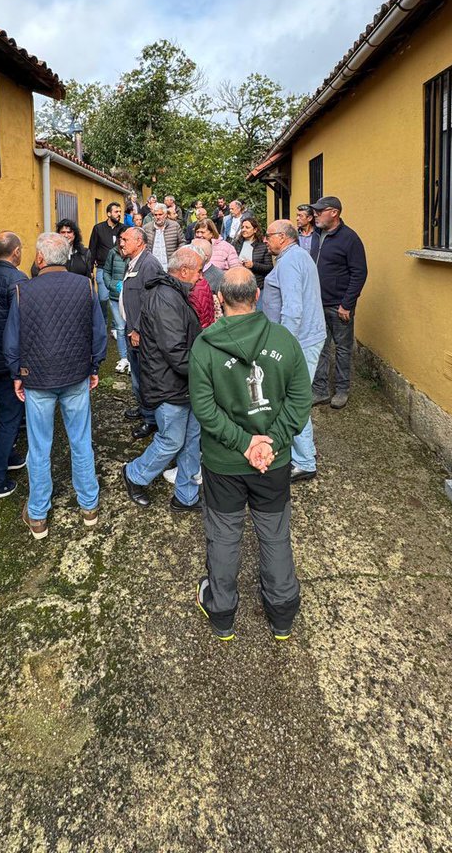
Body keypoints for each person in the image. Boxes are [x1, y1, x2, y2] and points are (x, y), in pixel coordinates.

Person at [189, 268, 311, 641]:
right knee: (274, 534)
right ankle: (282, 613)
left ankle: (222, 613)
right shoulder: (284, 341)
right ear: (257, 296)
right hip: (272, 462)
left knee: (225, 535)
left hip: (224, 463)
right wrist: (270, 442)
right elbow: (300, 400)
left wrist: (244, 443)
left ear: (219, 300)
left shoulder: (205, 347)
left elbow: (204, 409)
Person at [4, 233, 108, 539]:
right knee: (81, 440)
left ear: (40, 258)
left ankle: (38, 514)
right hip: (76, 375)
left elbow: (12, 341)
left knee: (39, 447)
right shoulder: (85, 286)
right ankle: (89, 507)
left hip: (37, 378)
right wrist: (94, 366)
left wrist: (17, 374)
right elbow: (98, 333)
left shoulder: (22, 291)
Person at [122, 247, 203, 512]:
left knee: (191, 440)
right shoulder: (165, 298)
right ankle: (134, 474)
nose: (201, 277)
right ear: (184, 271)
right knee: (172, 441)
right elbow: (175, 352)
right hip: (168, 385)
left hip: (184, 384)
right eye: (198, 271)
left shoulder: (174, 294)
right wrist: (207, 370)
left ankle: (186, 496)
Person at [261, 220, 325, 483]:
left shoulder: (289, 262)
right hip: (308, 337)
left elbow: (293, 309)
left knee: (293, 401)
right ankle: (304, 452)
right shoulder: (298, 256)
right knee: (294, 398)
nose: (265, 240)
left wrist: (284, 346)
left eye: (268, 236)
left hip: (301, 341)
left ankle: (305, 461)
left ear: (282, 237)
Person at [309, 196, 368, 410]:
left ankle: (342, 390)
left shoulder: (350, 238)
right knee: (320, 347)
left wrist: (347, 304)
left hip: (339, 306)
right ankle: (320, 390)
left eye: (320, 211)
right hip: (317, 304)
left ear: (334, 212)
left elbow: (359, 273)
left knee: (342, 349)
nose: (315, 215)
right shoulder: (317, 235)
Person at [0, 231, 27, 500]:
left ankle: (7, 453)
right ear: (16, 252)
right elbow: (22, 327)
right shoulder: (17, 281)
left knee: (5, 410)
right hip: (7, 359)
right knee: (11, 416)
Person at [118, 225, 161, 439]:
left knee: (146, 377)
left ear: (139, 242)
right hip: (132, 330)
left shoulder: (149, 264)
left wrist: (137, 329)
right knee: (136, 375)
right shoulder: (133, 262)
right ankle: (144, 409)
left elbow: (150, 302)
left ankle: (151, 420)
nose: (121, 243)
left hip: (142, 333)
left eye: (125, 239)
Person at [89, 201, 126, 323]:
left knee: (119, 297)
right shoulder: (98, 228)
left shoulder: (124, 229)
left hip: (119, 269)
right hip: (102, 268)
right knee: (103, 298)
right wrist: (90, 269)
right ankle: (104, 321)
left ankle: (117, 324)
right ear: (108, 214)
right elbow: (92, 249)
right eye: (116, 212)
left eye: (120, 212)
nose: (119, 214)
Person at [102, 242, 131, 373]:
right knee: (120, 328)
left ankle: (132, 359)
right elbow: (106, 271)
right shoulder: (113, 252)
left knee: (131, 328)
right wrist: (110, 285)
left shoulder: (136, 254)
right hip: (115, 296)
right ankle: (123, 357)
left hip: (131, 297)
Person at [232, 216, 272, 288]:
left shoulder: (263, 246)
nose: (244, 229)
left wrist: (253, 265)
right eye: (242, 227)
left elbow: (269, 268)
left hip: (257, 285)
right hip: (239, 284)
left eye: (247, 227)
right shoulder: (236, 244)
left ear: (255, 230)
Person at [143, 202, 186, 269]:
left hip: (170, 266)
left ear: (165, 215)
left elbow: (182, 242)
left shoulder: (175, 226)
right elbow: (143, 245)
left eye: (160, 214)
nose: (157, 217)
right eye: (155, 215)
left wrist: (177, 256)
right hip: (152, 267)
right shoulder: (146, 228)